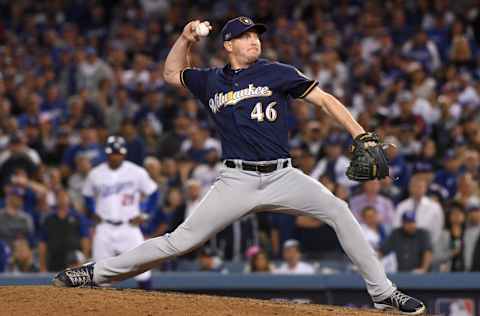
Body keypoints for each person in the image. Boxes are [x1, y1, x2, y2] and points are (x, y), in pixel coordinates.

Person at [54, 17, 425, 314]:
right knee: (179, 242)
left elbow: (325, 100)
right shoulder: (210, 80)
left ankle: (384, 294)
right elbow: (170, 75)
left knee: (340, 212)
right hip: (236, 179)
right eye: (245, 36)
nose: (254, 41)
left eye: (256, 36)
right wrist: (185, 40)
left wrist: (360, 135)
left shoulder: (276, 71)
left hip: (283, 175)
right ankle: (93, 273)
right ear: (228, 45)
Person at [81, 136, 158, 289]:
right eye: (112, 153)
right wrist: (91, 211)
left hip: (129, 227)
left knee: (143, 269)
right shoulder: (95, 173)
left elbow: (153, 192)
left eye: (118, 153)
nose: (115, 156)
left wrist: (145, 214)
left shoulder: (137, 172)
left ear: (123, 154)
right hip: (104, 227)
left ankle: (148, 307)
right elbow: (87, 195)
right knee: (99, 273)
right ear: (107, 154)